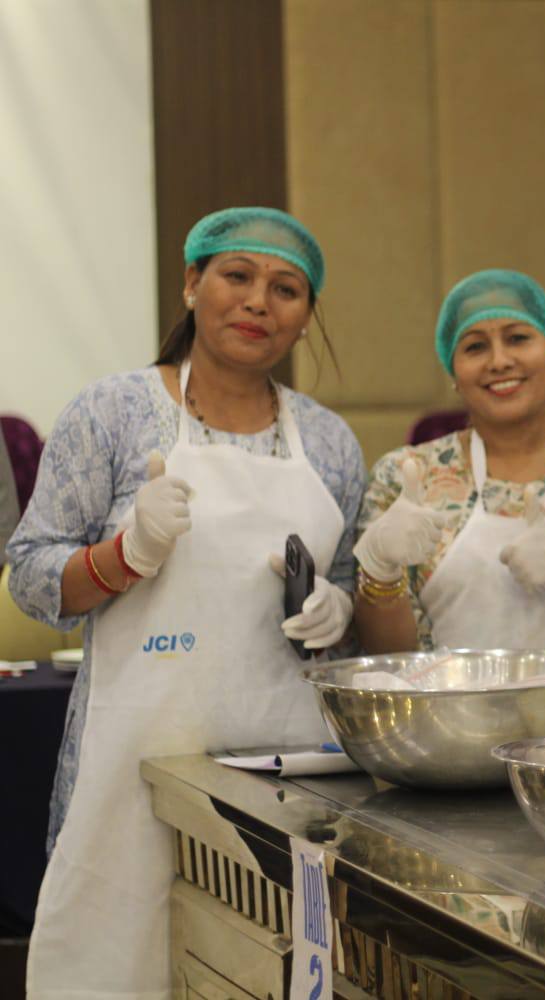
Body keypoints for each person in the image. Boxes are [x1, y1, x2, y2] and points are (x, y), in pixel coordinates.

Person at [8, 207, 365, 998]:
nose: (259, 301)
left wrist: (336, 611)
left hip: (283, 777)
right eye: (237, 276)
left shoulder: (330, 442)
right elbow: (31, 577)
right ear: (192, 284)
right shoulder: (112, 412)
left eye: (286, 289)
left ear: (306, 317)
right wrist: (125, 555)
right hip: (129, 769)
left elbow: (343, 591)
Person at [354, 270, 545, 653]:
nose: (499, 361)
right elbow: (387, 657)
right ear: (454, 372)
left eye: (518, 338)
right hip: (440, 695)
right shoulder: (406, 477)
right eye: (475, 347)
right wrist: (381, 571)